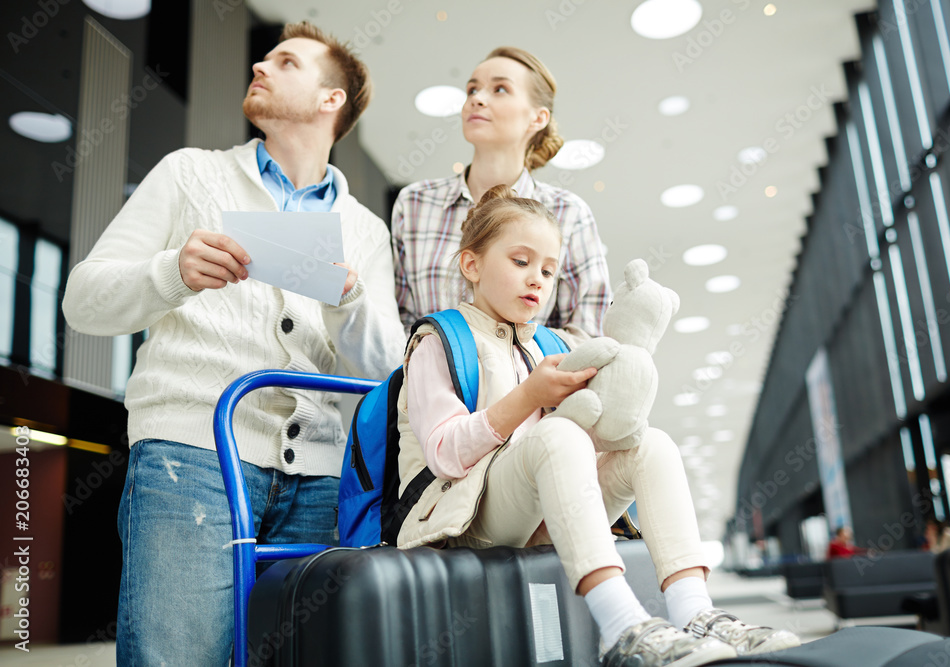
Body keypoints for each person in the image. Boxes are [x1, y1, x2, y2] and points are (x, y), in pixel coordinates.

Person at [62, 22, 404, 666]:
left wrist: (351, 301)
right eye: (265, 56)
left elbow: (387, 370)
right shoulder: (190, 174)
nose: (260, 64)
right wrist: (172, 273)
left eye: (286, 60)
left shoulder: (364, 230)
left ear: (332, 99)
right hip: (191, 459)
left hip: (318, 482)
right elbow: (82, 301)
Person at [393, 186, 800, 665]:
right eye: (520, 261)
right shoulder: (437, 341)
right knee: (559, 435)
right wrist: (531, 397)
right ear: (472, 265)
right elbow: (444, 453)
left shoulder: (552, 344)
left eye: (548, 270)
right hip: (463, 515)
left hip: (544, 511)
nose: (537, 280)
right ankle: (624, 625)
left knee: (652, 444)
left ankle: (695, 611)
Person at [392, 46, 611, 346]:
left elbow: (587, 335)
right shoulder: (414, 203)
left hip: (535, 390)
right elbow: (399, 323)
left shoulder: (569, 213)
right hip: (427, 387)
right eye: (472, 89)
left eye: (500, 89)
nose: (476, 99)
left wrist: (513, 369)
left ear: (538, 118)